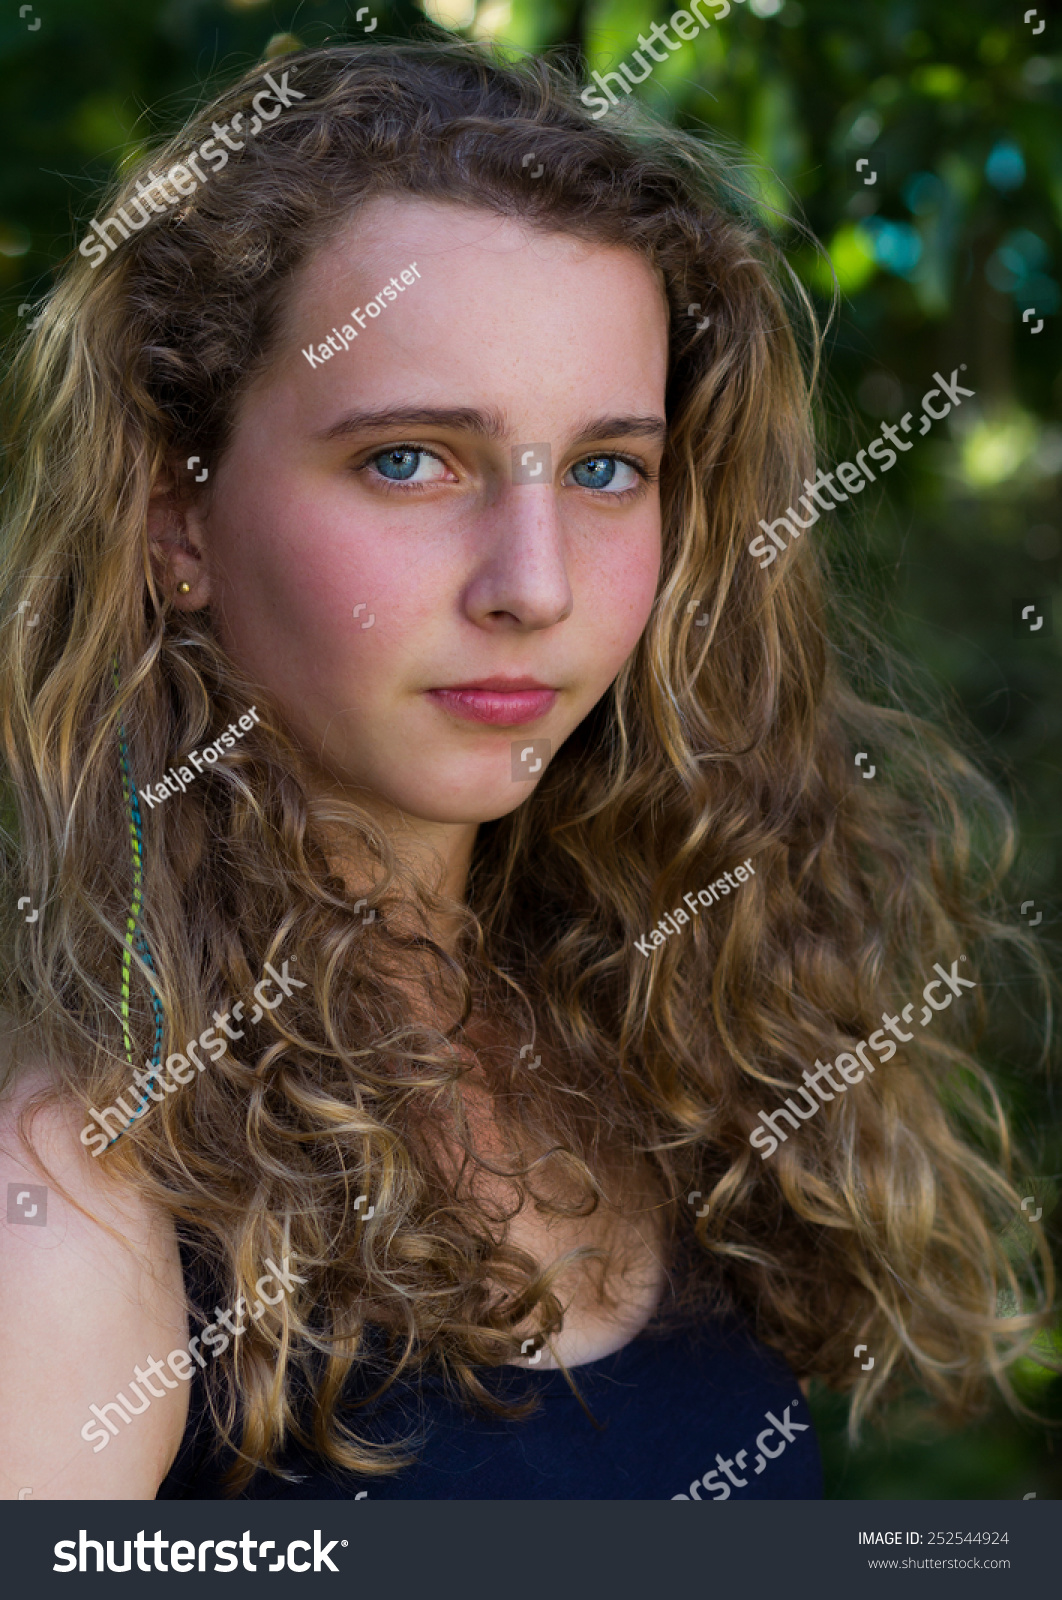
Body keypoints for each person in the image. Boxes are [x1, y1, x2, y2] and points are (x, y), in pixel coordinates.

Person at [0, 39, 1052, 1502]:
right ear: (174, 520)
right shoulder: (73, 1201)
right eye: (411, 461)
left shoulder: (668, 1043)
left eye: (606, 468)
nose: (535, 584)